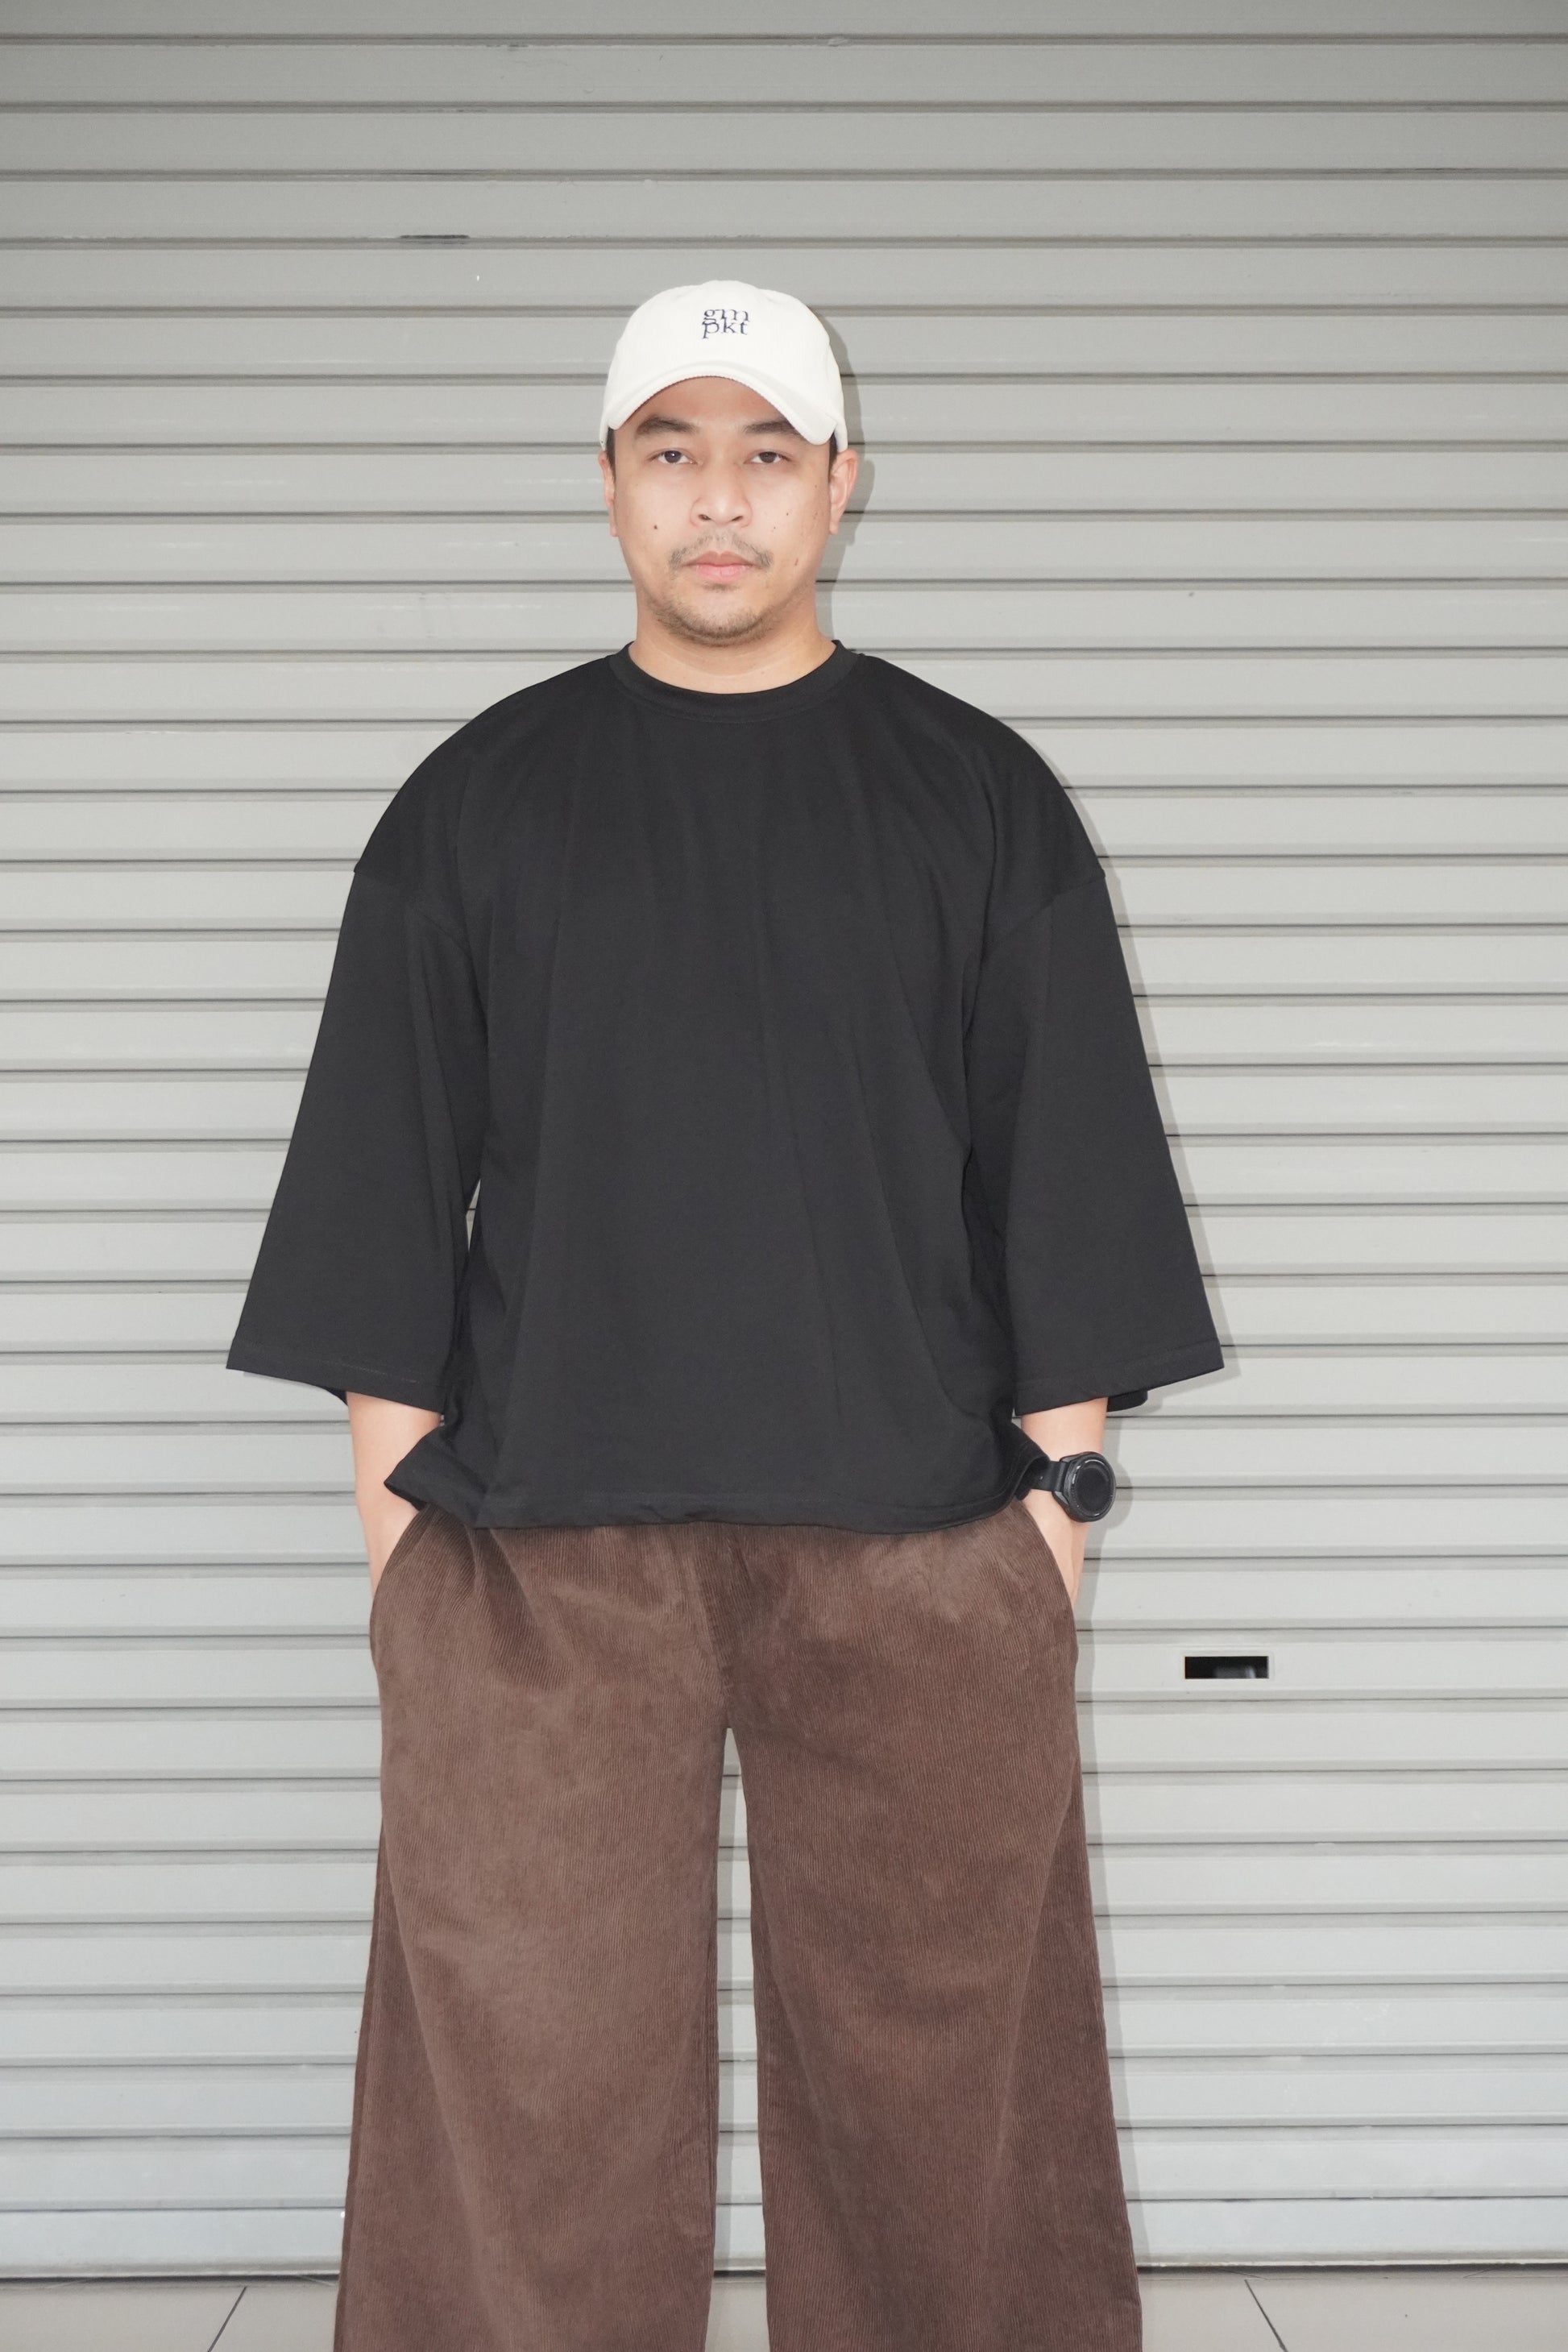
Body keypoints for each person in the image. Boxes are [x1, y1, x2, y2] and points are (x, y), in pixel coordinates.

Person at [227, 277, 1224, 2352]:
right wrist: (402, 1552)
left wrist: (1053, 1525)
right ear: (605, 483)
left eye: (766, 453)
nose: (718, 498)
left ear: (840, 484)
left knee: (952, 2106)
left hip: (924, 1543)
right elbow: (378, 1190)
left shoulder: (978, 795)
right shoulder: (479, 801)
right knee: (522, 2097)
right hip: (538, 1562)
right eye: (671, 450)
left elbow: (1070, 1175)